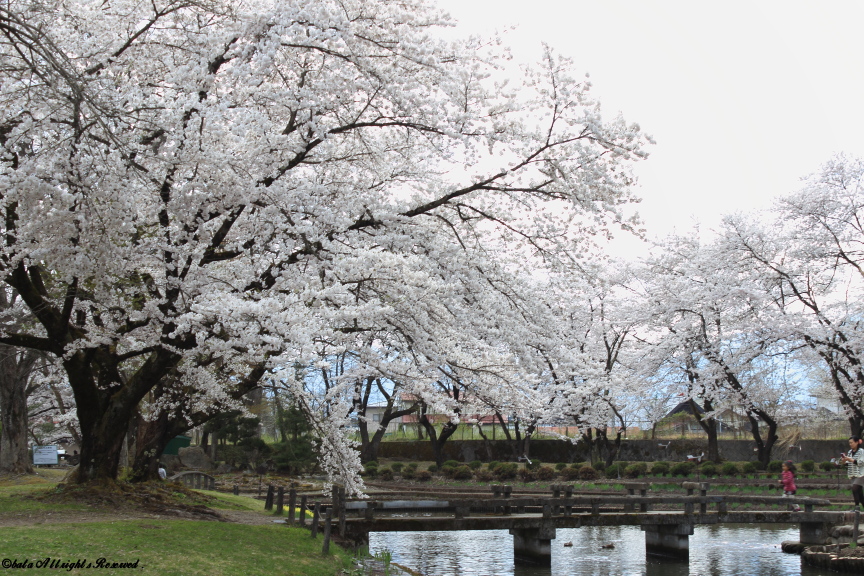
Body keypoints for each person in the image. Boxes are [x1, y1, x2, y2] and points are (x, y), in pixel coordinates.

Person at [840, 436, 864, 511]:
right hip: (853, 474)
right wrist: (844, 461)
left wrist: (851, 460)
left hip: (861, 474)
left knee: (854, 489)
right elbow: (848, 464)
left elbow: (861, 462)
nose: (850, 444)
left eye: (851, 442)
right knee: (859, 494)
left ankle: (857, 508)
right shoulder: (850, 452)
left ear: (857, 442)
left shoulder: (862, 451)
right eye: (849, 443)